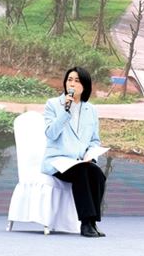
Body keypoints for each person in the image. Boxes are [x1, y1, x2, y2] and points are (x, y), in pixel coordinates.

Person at [42, 67, 107, 238]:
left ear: (85, 86)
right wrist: (65, 112)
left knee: (97, 174)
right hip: (58, 162)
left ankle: (93, 222)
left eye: (77, 81)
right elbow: (51, 134)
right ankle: (85, 223)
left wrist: (91, 155)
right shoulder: (53, 104)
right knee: (82, 173)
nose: (72, 84)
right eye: (69, 80)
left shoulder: (91, 110)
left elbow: (94, 140)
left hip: (80, 161)